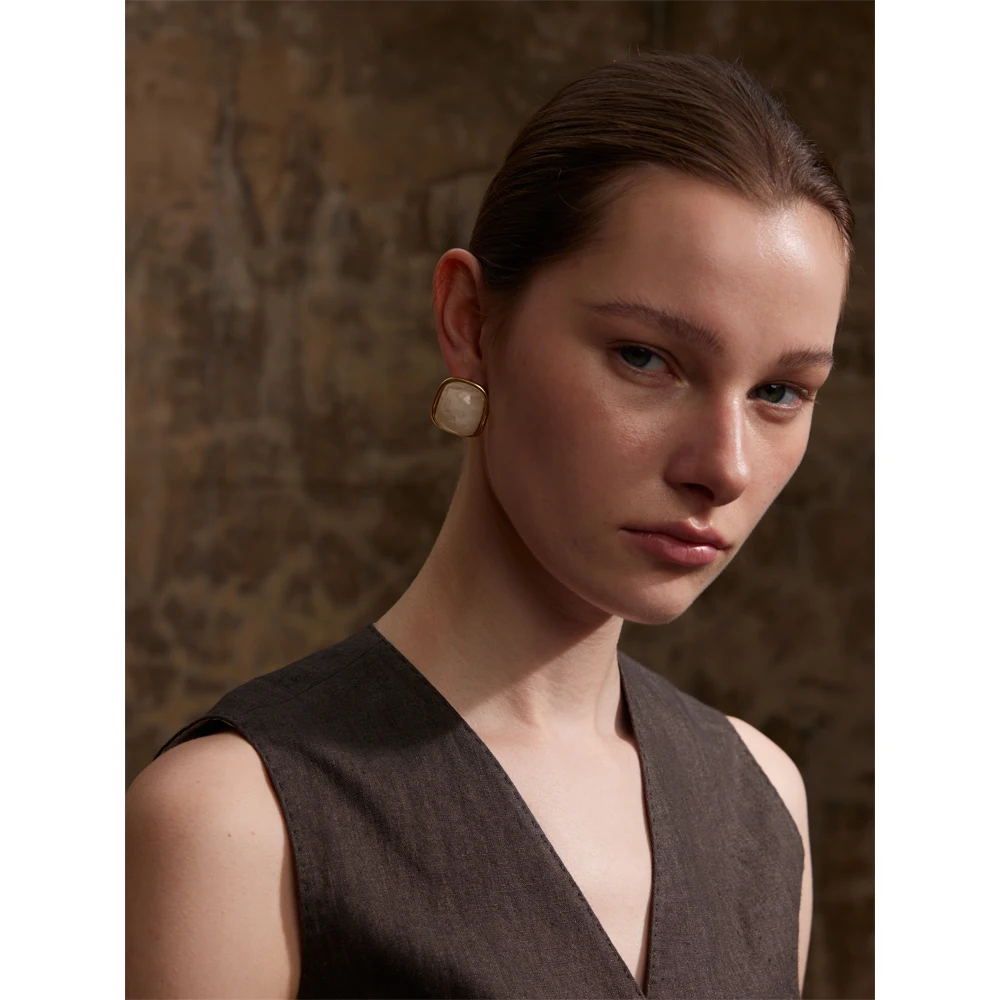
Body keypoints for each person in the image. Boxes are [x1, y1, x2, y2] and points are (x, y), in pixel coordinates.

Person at [126, 51, 852, 1000]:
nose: (725, 466)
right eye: (645, 358)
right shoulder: (235, 825)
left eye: (780, 392)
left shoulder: (760, 802)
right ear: (469, 321)